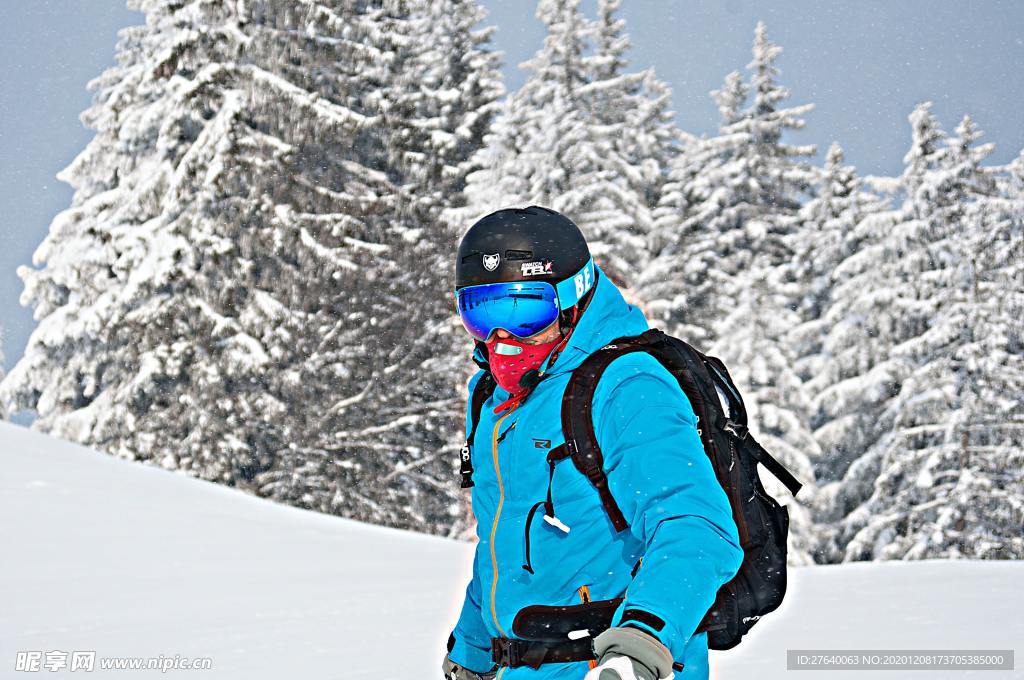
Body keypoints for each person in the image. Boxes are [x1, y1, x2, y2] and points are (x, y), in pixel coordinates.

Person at [443, 206, 743, 680]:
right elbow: (502, 542)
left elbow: (697, 527)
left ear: (572, 299)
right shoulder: (492, 398)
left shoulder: (627, 386)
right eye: (482, 314)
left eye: (523, 312)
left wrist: (641, 645)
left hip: (611, 667)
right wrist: (474, 649)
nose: (501, 340)